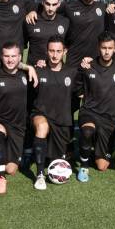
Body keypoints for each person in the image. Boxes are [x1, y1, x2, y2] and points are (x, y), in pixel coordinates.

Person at [0, 42, 37, 194]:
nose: (10, 60)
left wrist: (29, 67)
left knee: (11, 169)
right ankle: (1, 178)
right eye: (6, 56)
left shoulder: (26, 76)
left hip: (17, 125)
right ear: (1, 57)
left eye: (13, 56)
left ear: (20, 57)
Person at [29, 35, 79, 190]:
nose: (54, 55)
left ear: (65, 51)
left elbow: (81, 95)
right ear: (47, 51)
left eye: (58, 51)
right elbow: (13, 62)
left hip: (62, 122)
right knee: (42, 126)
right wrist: (29, 66)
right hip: (40, 115)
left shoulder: (72, 72)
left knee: (57, 161)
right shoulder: (38, 70)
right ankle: (39, 175)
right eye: (51, 51)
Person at [27, 0, 107, 68]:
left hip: (96, 61)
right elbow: (50, 6)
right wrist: (33, 11)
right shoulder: (69, 6)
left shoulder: (103, 7)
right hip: (74, 62)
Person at [76, 31, 115, 182]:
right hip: (90, 112)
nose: (106, 51)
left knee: (102, 166)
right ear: (98, 47)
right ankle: (83, 166)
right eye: (104, 48)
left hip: (109, 118)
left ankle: (98, 145)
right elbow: (77, 89)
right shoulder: (88, 66)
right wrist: (81, 69)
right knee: (87, 131)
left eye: (110, 48)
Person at [24, 0, 70, 66]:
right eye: (48, 4)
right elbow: (21, 46)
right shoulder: (31, 20)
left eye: (54, 4)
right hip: (35, 70)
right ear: (42, 2)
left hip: (56, 72)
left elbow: (69, 46)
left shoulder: (65, 22)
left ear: (59, 4)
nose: (50, 8)